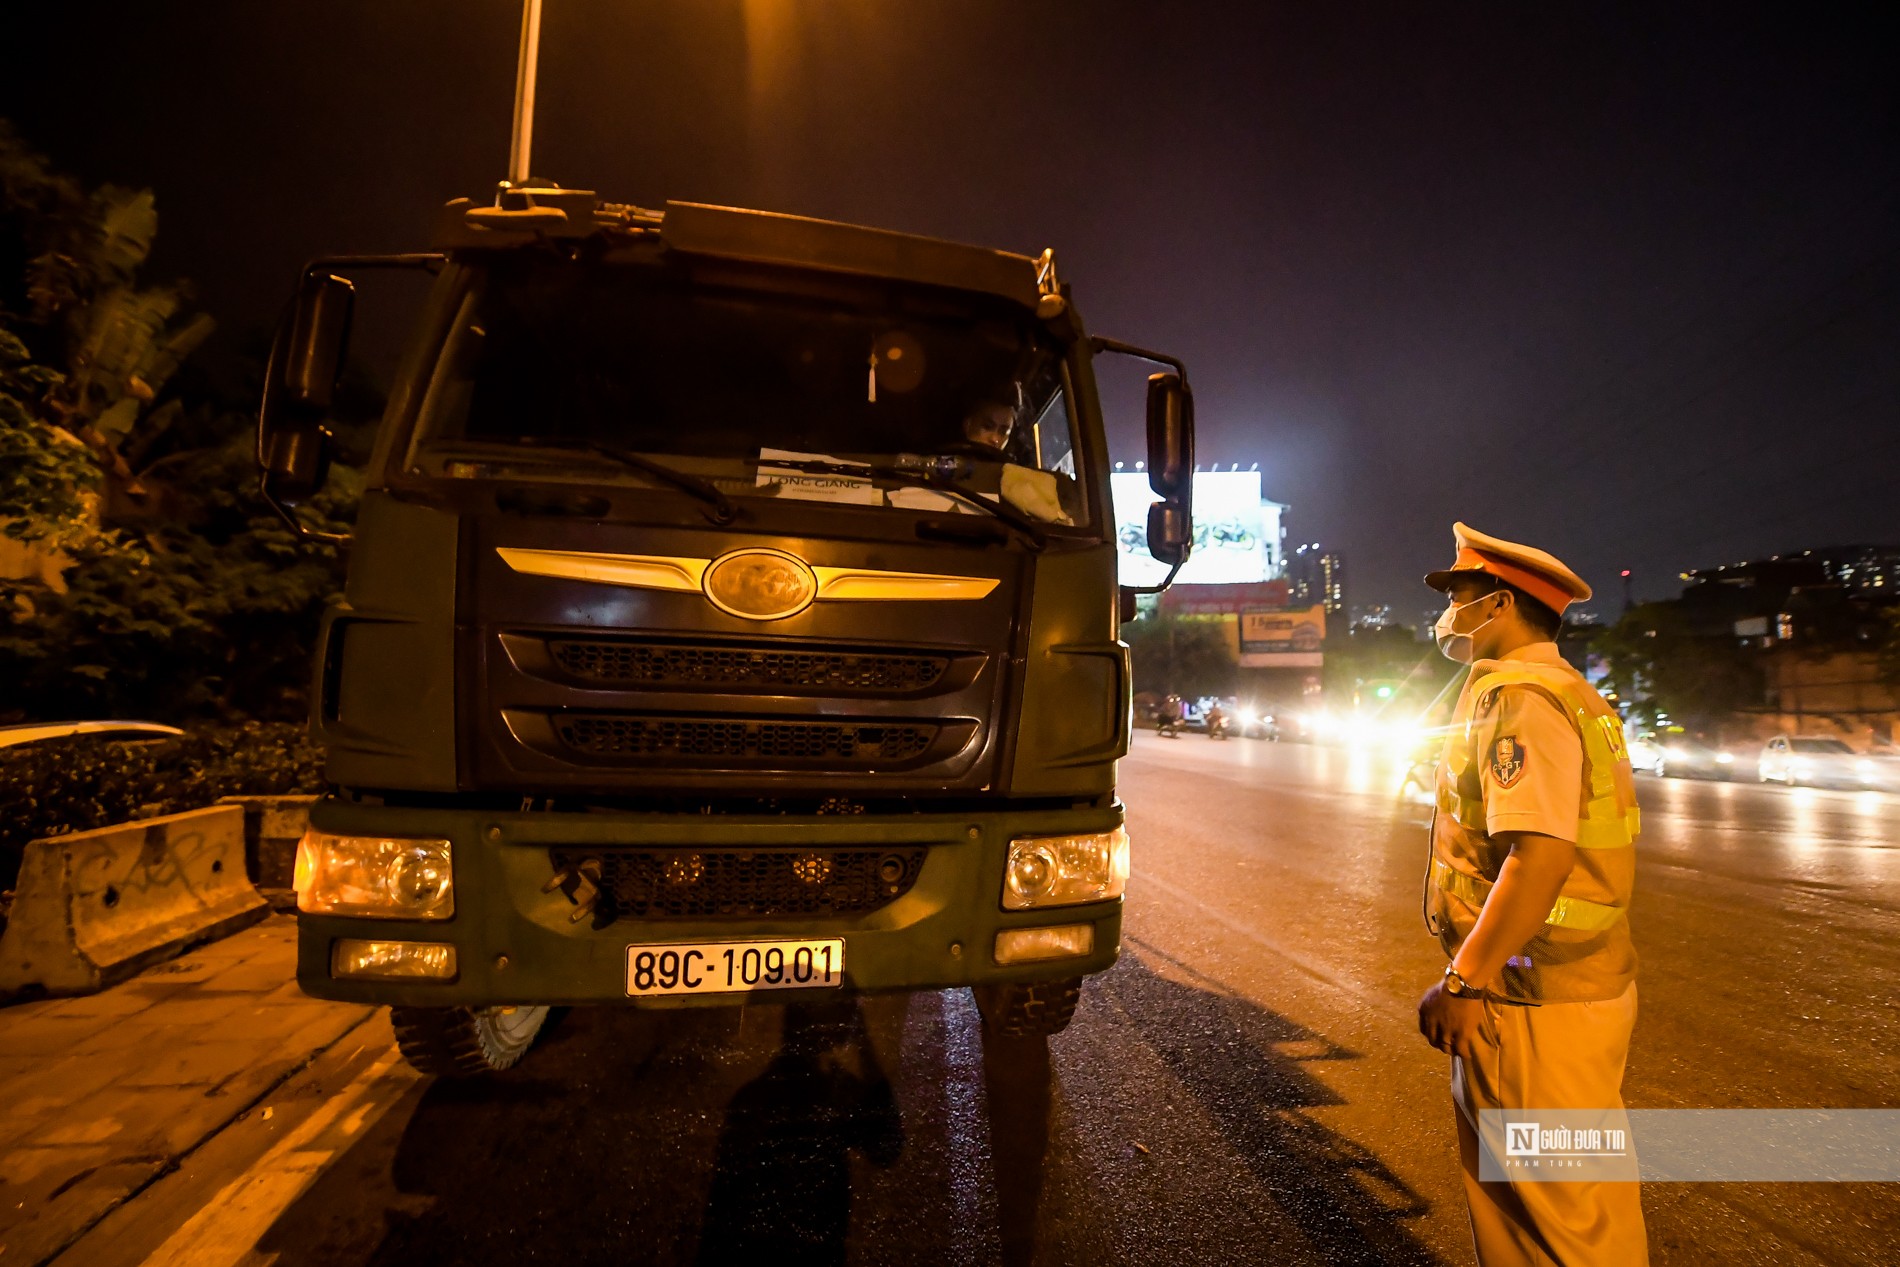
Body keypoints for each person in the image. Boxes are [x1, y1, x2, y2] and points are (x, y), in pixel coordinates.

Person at [1416, 523, 1646, 1266]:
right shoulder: (1570, 691)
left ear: (1500, 603)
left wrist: (1465, 978)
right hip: (1567, 983)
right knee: (1550, 1208)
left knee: (1561, 1220)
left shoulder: (1521, 699)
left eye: (1459, 595)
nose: (1448, 611)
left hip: (1533, 998)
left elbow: (1539, 856)